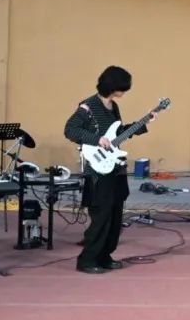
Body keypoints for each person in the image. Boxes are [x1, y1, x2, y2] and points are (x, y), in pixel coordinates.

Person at [64, 66, 156, 274]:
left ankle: (105, 256)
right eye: (122, 87)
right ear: (112, 86)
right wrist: (96, 139)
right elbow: (70, 130)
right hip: (98, 172)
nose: (124, 91)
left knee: (115, 216)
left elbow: (118, 133)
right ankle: (87, 260)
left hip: (116, 168)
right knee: (102, 216)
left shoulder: (113, 106)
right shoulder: (88, 106)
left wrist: (142, 124)